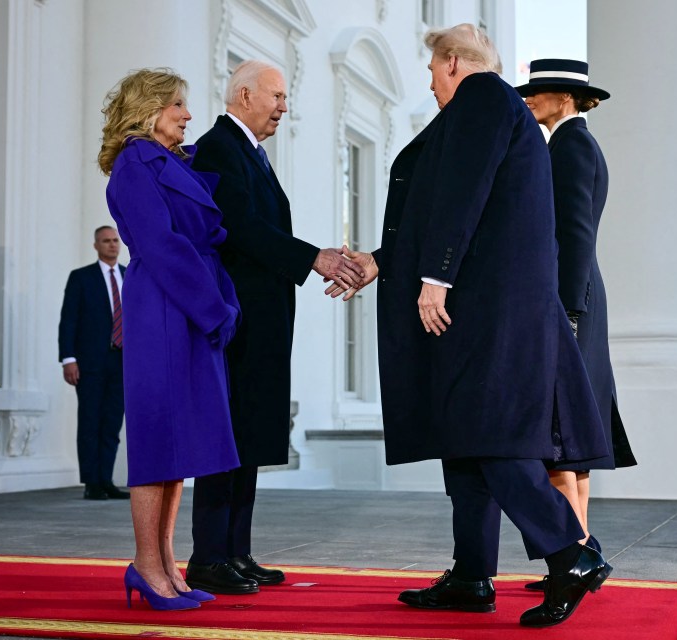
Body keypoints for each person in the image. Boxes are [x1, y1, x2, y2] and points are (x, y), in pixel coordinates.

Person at [329, 25, 613, 628]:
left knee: (493, 440)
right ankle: (470, 574)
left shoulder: (482, 95)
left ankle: (572, 555)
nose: (430, 84)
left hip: (488, 312)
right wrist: (380, 263)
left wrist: (435, 276)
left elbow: (463, 193)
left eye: (432, 71)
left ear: (453, 62)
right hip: (485, 309)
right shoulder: (494, 109)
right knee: (465, 442)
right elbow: (441, 207)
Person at [184, 60, 365, 595]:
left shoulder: (252, 153)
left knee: (251, 434)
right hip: (235, 319)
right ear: (243, 95)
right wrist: (317, 259)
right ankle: (207, 555)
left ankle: (235, 551)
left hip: (261, 320)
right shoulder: (219, 146)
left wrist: (315, 259)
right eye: (277, 96)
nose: (284, 106)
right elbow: (240, 227)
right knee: (228, 436)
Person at [99, 68, 242, 611]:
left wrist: (220, 304)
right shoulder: (136, 163)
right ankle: (145, 565)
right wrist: (213, 308)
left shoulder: (168, 162)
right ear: (149, 108)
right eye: (178, 104)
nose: (187, 114)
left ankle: (166, 565)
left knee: (182, 441)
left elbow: (199, 241)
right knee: (159, 440)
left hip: (187, 303)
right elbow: (161, 245)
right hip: (165, 305)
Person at [515, 59, 637, 588]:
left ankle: (578, 557)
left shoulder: (571, 146)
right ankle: (584, 549)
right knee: (572, 442)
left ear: (564, 98)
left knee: (560, 436)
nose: (527, 100)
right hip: (579, 300)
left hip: (572, 303)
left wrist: (565, 309)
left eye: (536, 93)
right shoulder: (566, 144)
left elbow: (576, 234)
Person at [58, 226, 130, 501]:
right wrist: (68, 358)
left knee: (112, 423)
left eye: (115, 241)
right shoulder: (81, 278)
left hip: (122, 362)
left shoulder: (129, 276)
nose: (112, 245)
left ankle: (107, 479)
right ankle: (91, 482)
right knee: (90, 421)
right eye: (106, 241)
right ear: (96, 245)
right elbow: (69, 320)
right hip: (90, 362)